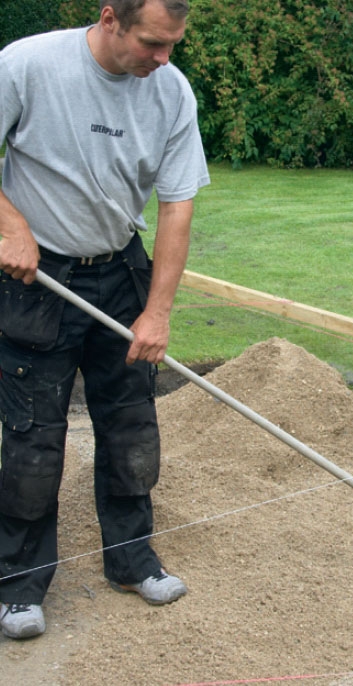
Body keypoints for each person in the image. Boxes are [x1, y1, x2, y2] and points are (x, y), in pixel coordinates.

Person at [0, 0, 210, 639]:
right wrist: (11, 226)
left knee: (130, 425)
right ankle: (19, 586)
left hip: (120, 271)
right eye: (152, 42)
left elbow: (177, 204)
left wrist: (157, 311)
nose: (163, 59)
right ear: (111, 17)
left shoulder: (170, 91)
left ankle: (131, 560)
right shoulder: (27, 65)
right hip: (37, 279)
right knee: (35, 436)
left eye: (172, 44)